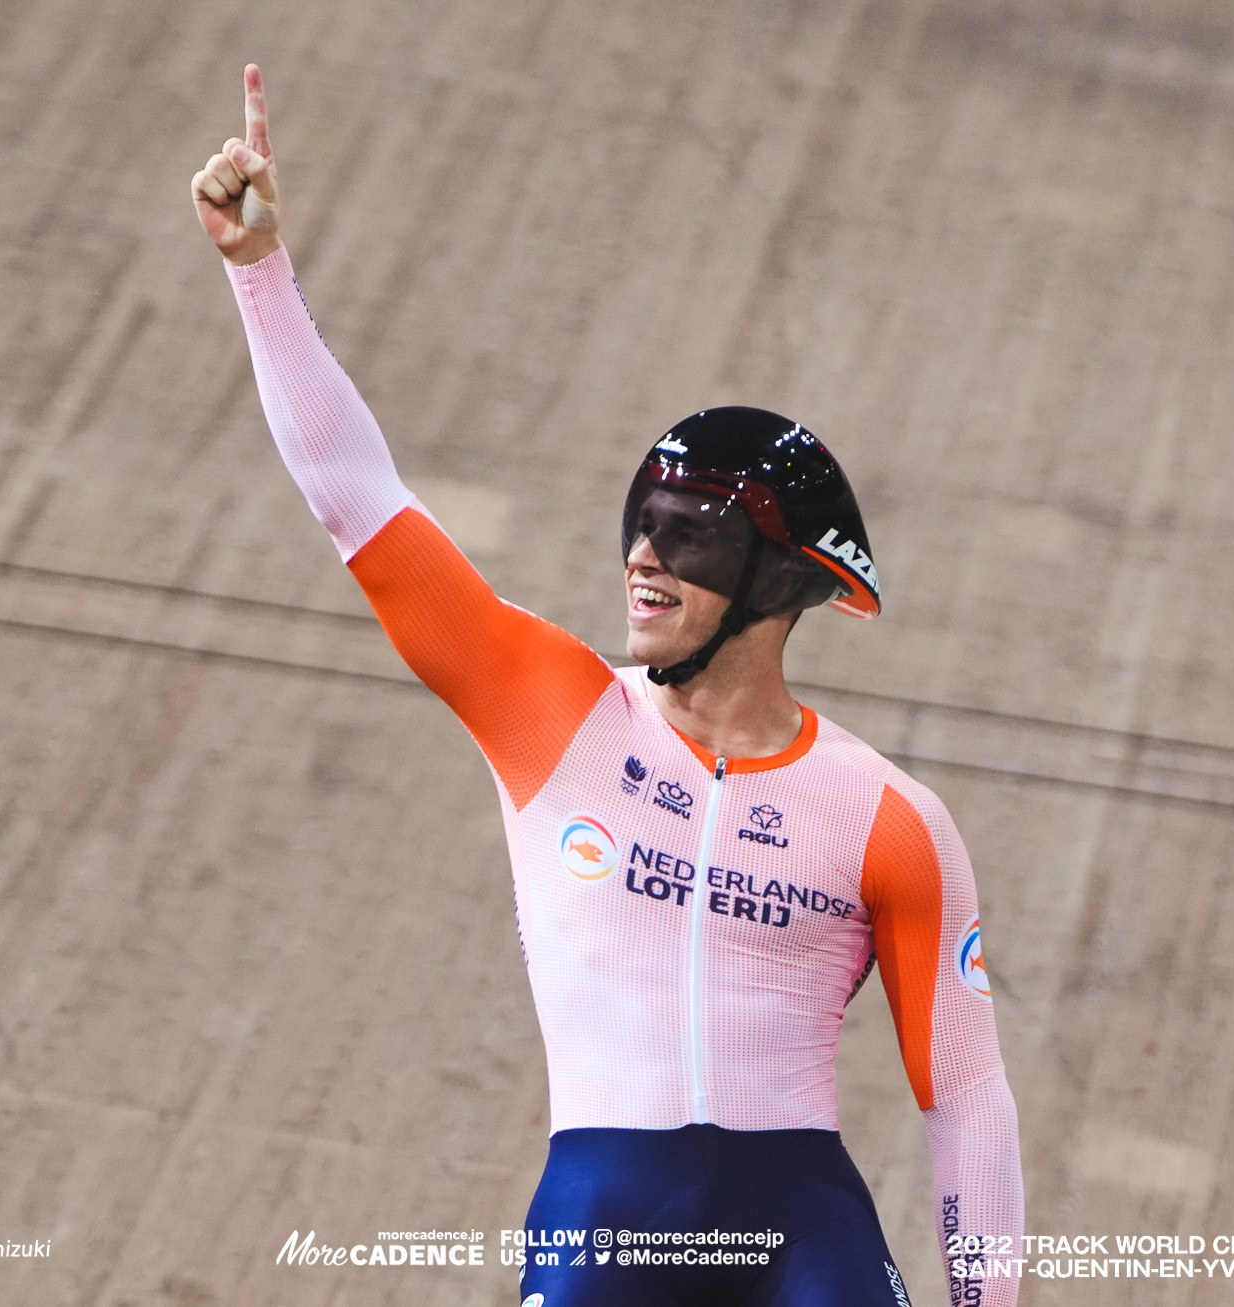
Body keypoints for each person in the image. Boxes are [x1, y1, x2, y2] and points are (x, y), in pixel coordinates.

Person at [194, 65, 1023, 1307]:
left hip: (804, 1235)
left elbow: (965, 1098)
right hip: (604, 1214)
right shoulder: (550, 709)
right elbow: (356, 497)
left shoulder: (890, 817)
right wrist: (259, 272)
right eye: (642, 519)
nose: (645, 551)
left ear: (784, 584)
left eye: (690, 531)